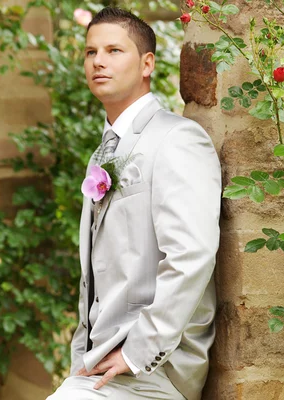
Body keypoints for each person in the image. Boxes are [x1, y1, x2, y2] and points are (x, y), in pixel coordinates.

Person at [47, 7, 221, 400]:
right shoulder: (102, 154)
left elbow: (192, 254)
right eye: (91, 52)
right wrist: (82, 357)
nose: (99, 61)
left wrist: (138, 353)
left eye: (113, 50)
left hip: (154, 369)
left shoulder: (177, 139)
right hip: (98, 366)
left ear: (147, 64)